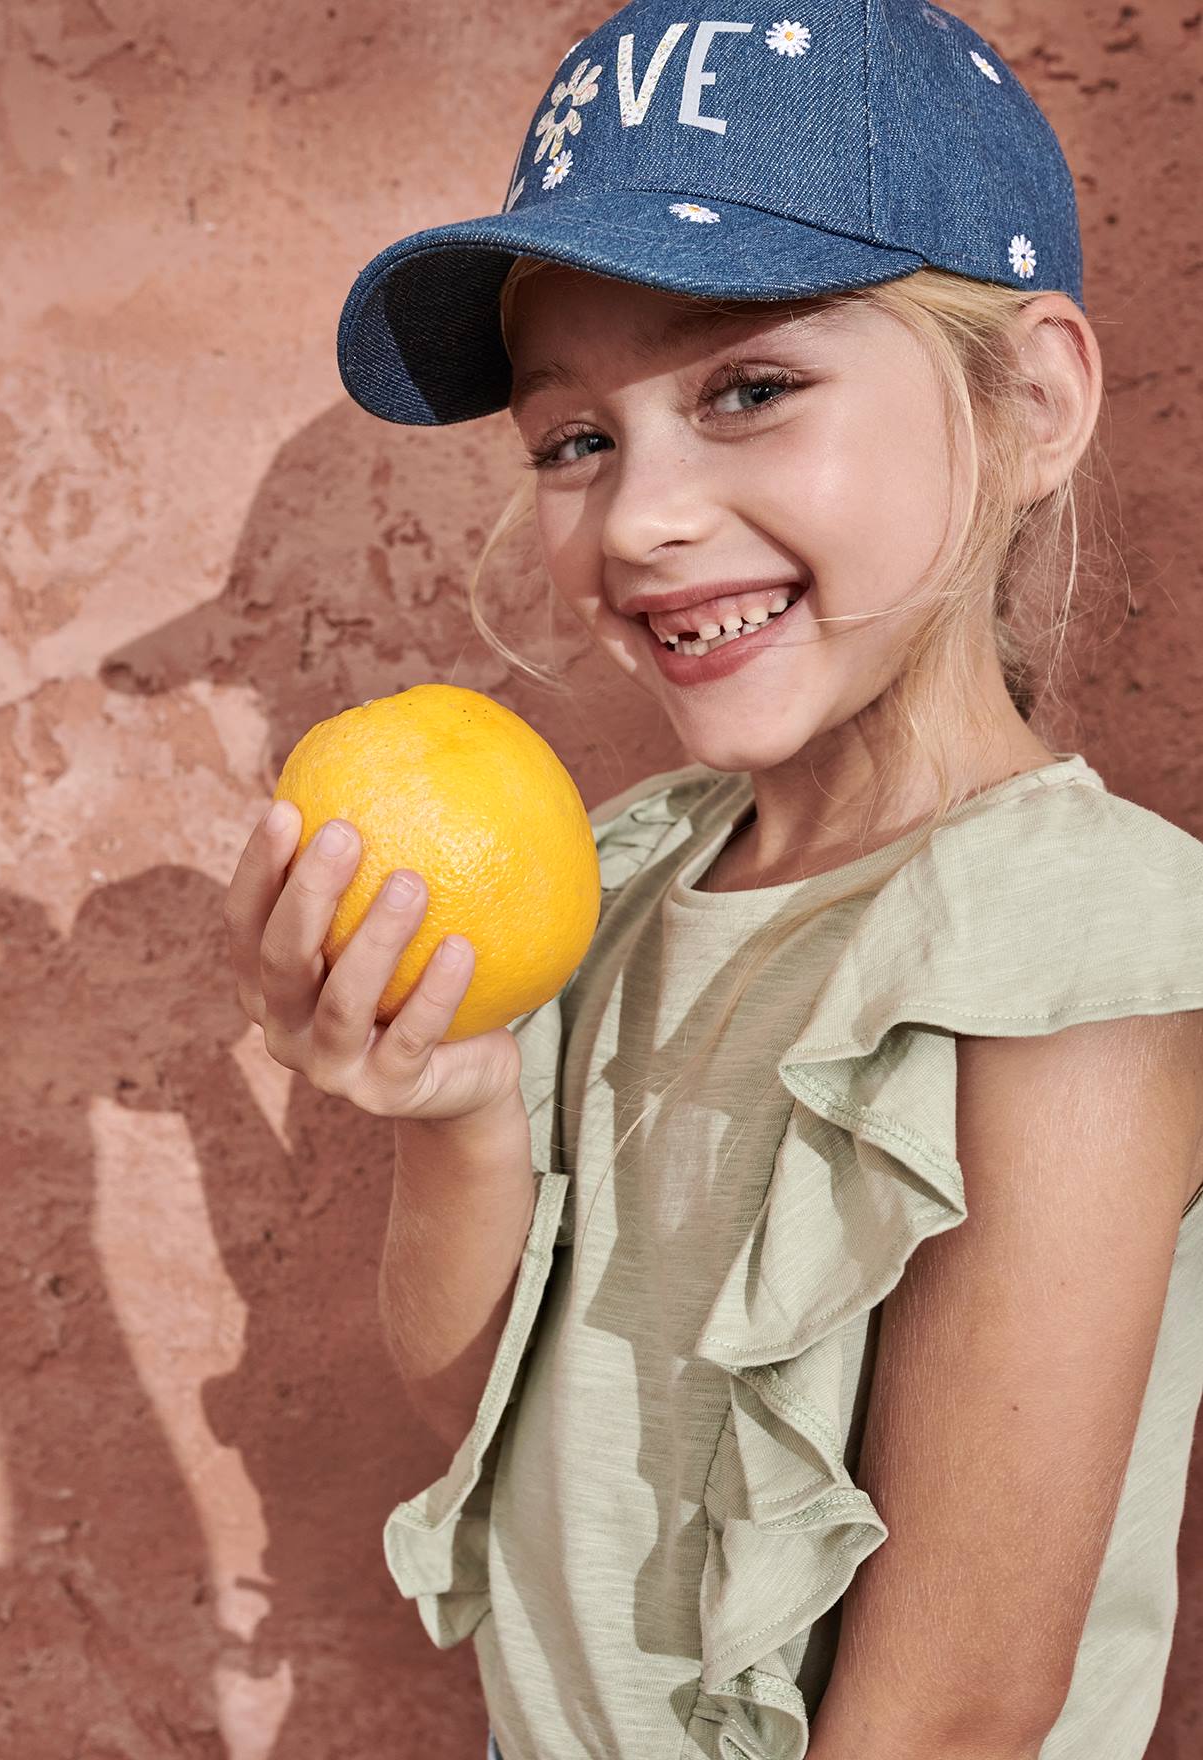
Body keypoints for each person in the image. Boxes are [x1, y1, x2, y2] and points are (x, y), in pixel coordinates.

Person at [224, 2, 1203, 1757]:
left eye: (747, 390)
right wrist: (451, 1110)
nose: (642, 516)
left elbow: (957, 1716)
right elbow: (492, 1419)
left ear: (1036, 400)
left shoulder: (1081, 957)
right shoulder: (620, 881)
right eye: (572, 440)